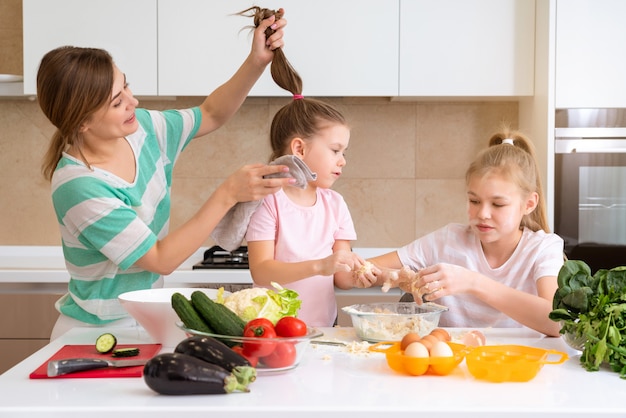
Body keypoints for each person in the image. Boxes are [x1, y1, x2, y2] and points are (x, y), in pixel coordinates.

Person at [38, 10, 297, 340]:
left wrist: (256, 62)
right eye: (117, 102)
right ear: (82, 122)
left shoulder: (143, 130)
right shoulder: (79, 186)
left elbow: (211, 113)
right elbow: (160, 259)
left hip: (143, 317)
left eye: (126, 86)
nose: (133, 101)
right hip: (94, 333)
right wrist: (228, 194)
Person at [241, 7, 375, 328]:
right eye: (335, 150)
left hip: (323, 327)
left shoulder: (335, 205)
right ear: (299, 148)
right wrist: (320, 266)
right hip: (273, 329)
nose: (342, 160)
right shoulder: (269, 200)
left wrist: (360, 275)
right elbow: (262, 271)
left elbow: (340, 277)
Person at [367, 129, 564, 337]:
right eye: (474, 201)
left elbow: (558, 323)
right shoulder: (447, 240)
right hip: (451, 364)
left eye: (497, 204)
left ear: (529, 204)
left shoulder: (542, 248)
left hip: (519, 364)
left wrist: (473, 282)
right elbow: (352, 274)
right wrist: (385, 274)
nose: (483, 213)